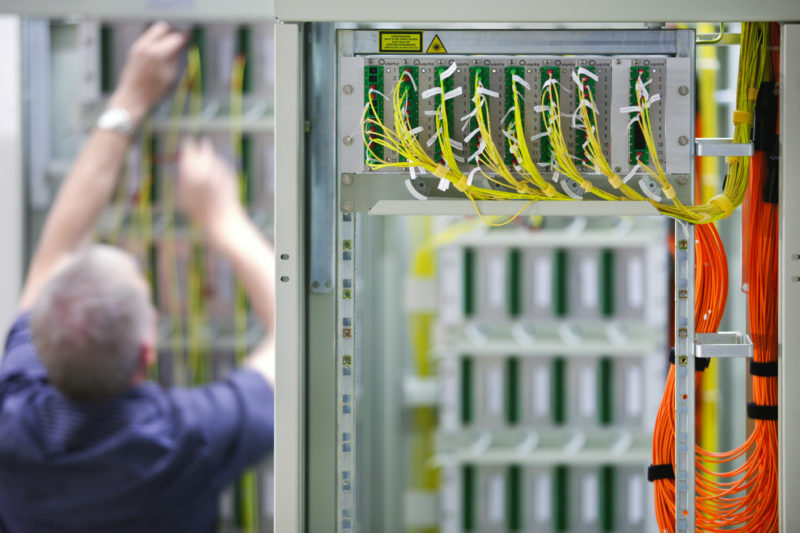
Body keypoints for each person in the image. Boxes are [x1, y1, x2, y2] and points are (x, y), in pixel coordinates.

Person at [0, 22, 275, 532]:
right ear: (148, 352)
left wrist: (127, 98)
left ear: (39, 339)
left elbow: (56, 249)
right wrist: (225, 222)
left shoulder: (13, 420)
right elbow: (294, 342)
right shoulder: (184, 441)